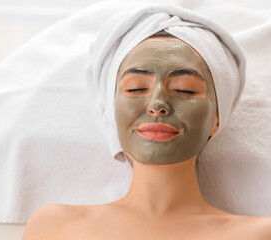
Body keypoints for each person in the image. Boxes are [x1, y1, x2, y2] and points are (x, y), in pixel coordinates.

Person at [21, 27, 271, 240]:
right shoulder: (56, 227)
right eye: (136, 88)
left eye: (184, 90)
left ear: (216, 119)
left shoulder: (256, 234)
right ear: (113, 112)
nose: (157, 105)